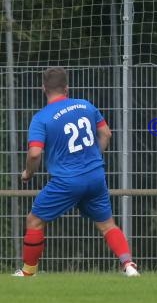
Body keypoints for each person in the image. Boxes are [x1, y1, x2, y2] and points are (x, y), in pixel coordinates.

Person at [14, 67, 139, 277]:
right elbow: (106, 134)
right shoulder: (86, 105)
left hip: (66, 180)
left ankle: (28, 273)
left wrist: (28, 173)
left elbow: (35, 154)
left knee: (34, 221)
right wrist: (93, 157)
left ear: (43, 88)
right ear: (67, 87)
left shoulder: (42, 118)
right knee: (108, 225)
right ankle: (128, 265)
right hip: (95, 175)